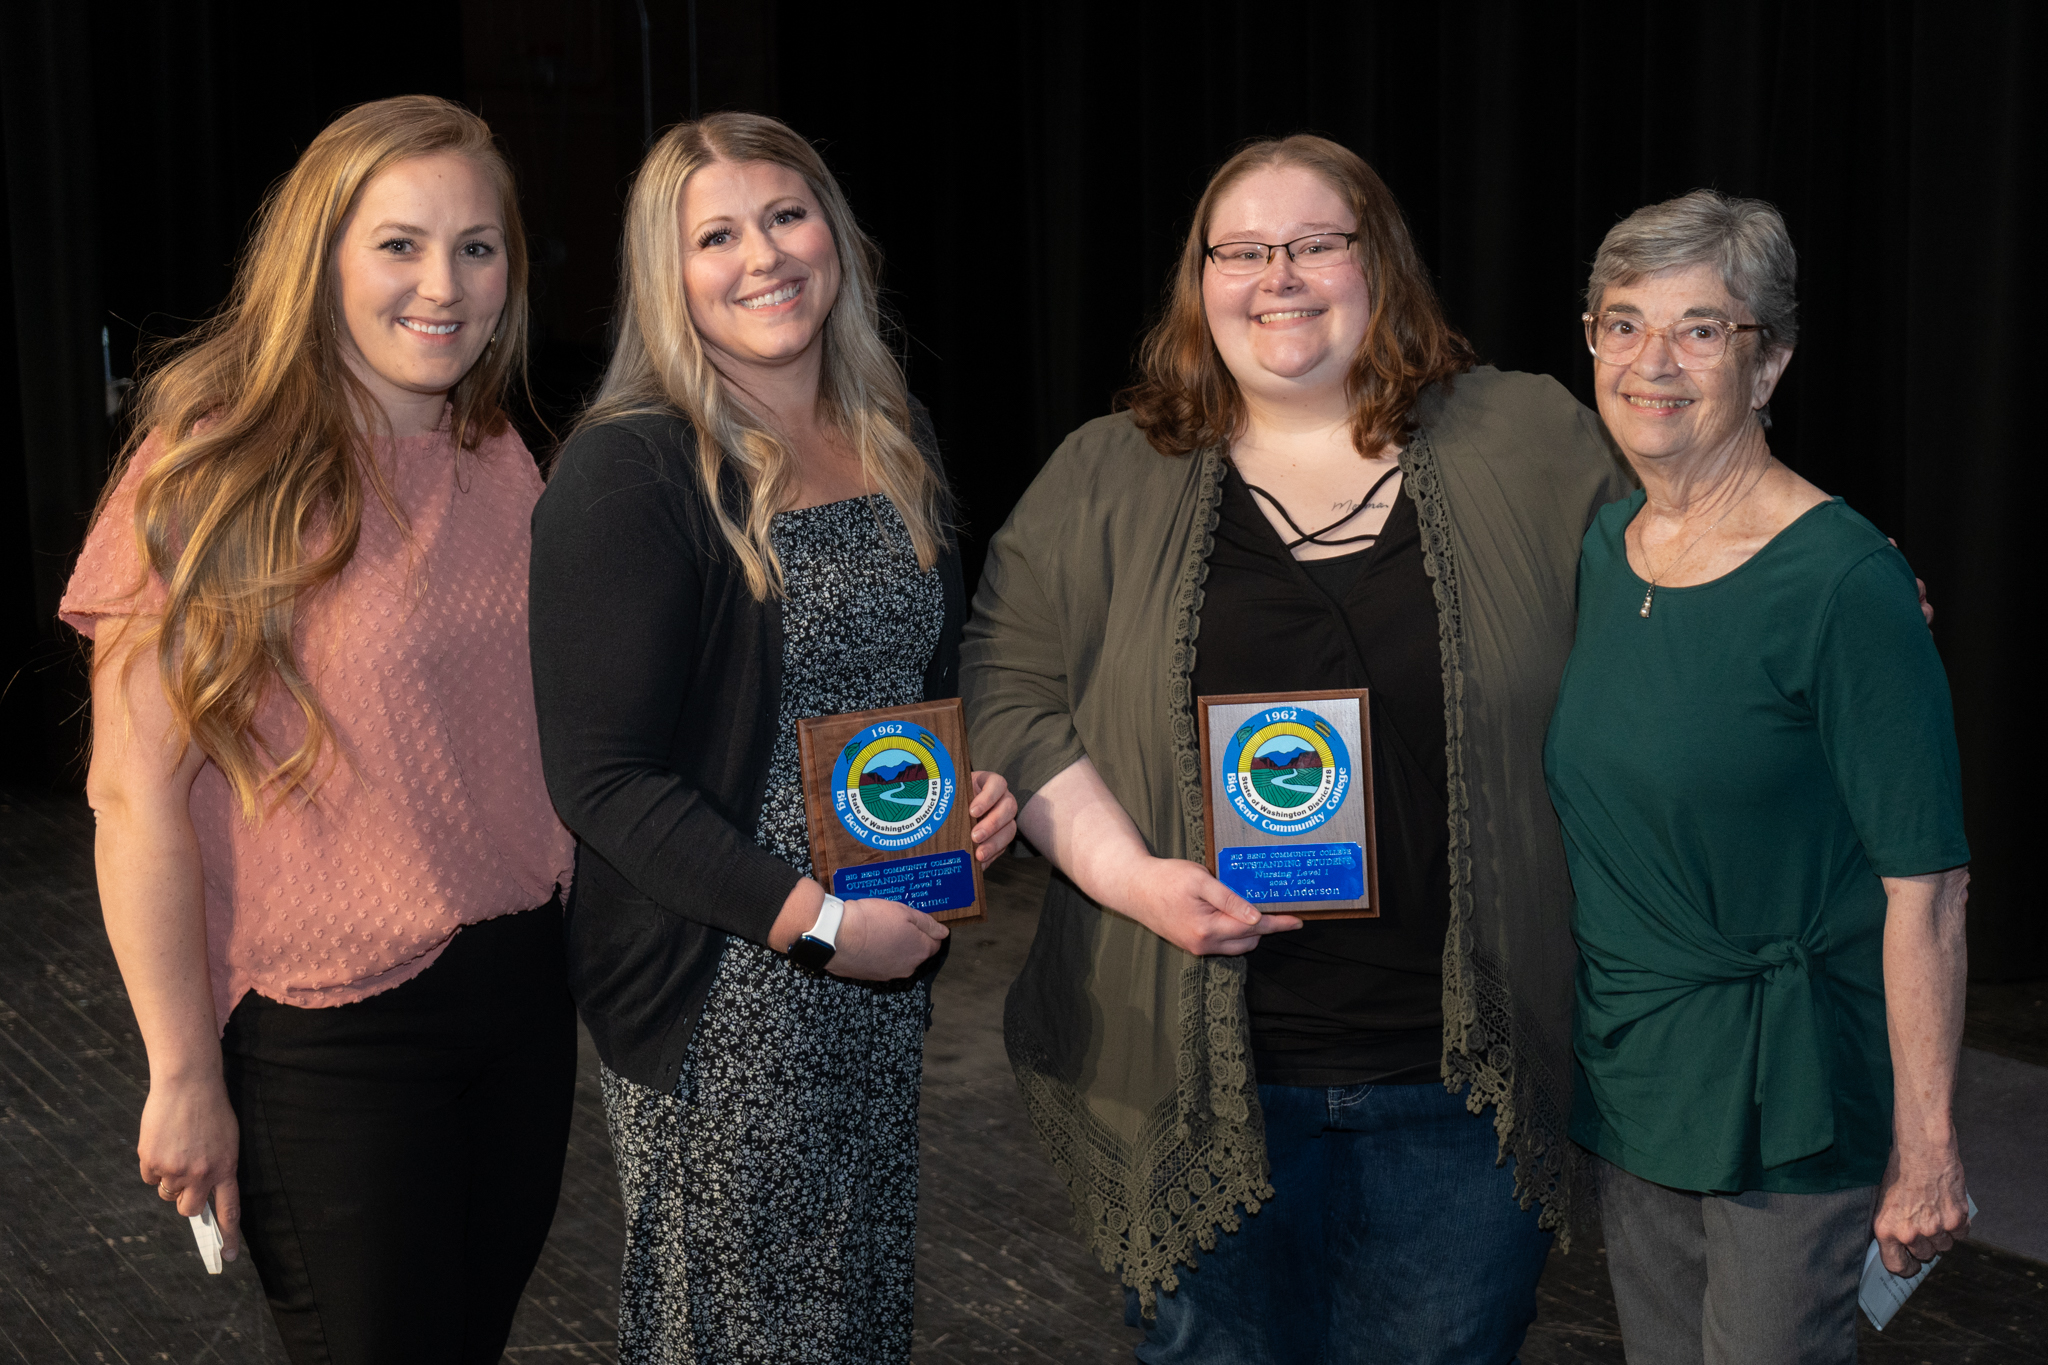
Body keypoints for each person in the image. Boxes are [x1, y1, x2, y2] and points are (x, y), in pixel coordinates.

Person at [961, 134, 1632, 1363]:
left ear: (1377, 263)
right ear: (1197, 278)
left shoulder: (1527, 439)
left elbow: (1672, 586)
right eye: (1243, 250)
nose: (1279, 275)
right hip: (1197, 1080)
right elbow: (1007, 688)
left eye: (1317, 243)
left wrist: (1815, 582)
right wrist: (1132, 882)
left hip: (1455, 1089)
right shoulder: (1104, 474)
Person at [62, 96, 576, 1363]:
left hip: (519, 1000)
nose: (442, 285)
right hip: (330, 1039)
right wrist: (182, 1072)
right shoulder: (213, 462)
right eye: (398, 244)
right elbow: (131, 799)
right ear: (321, 256)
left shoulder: (502, 451)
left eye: (476, 246)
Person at [527, 112, 1017, 1364]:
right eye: (715, 235)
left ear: (835, 238)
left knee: (848, 1319)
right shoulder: (631, 468)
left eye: (785, 216)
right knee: (738, 1333)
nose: (762, 256)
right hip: (730, 979)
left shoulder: (886, 430)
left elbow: (909, 684)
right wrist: (822, 926)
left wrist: (964, 806)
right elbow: (602, 779)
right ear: (665, 273)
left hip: (877, 959)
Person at [1544, 189, 1971, 1363]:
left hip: (1789, 1097)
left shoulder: (1841, 583)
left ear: (1769, 360)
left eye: (1700, 329)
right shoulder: (1602, 542)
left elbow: (1924, 887)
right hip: (1635, 1069)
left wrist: (1925, 1149)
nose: (1651, 363)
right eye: (1620, 323)